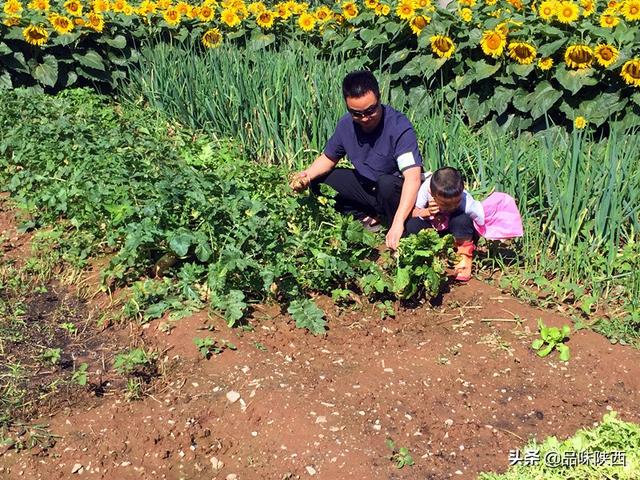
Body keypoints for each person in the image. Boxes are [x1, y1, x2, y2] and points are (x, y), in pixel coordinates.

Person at [288, 70, 423, 251]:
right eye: (357, 114)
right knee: (319, 180)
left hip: (395, 193)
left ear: (379, 98)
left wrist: (398, 223)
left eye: (370, 111)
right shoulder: (346, 125)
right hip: (369, 189)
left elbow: (413, 178)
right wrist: (305, 176)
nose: (365, 118)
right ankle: (367, 217)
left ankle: (399, 230)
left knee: (386, 184)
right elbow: (328, 158)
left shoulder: (399, 127)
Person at [411, 167, 484, 282]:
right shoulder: (426, 189)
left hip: (454, 233)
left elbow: (480, 220)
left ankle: (463, 258)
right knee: (413, 224)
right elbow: (415, 212)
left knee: (462, 220)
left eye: (456, 202)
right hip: (433, 230)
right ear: (432, 194)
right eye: (445, 205)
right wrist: (427, 212)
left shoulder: (466, 200)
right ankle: (425, 255)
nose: (451, 207)